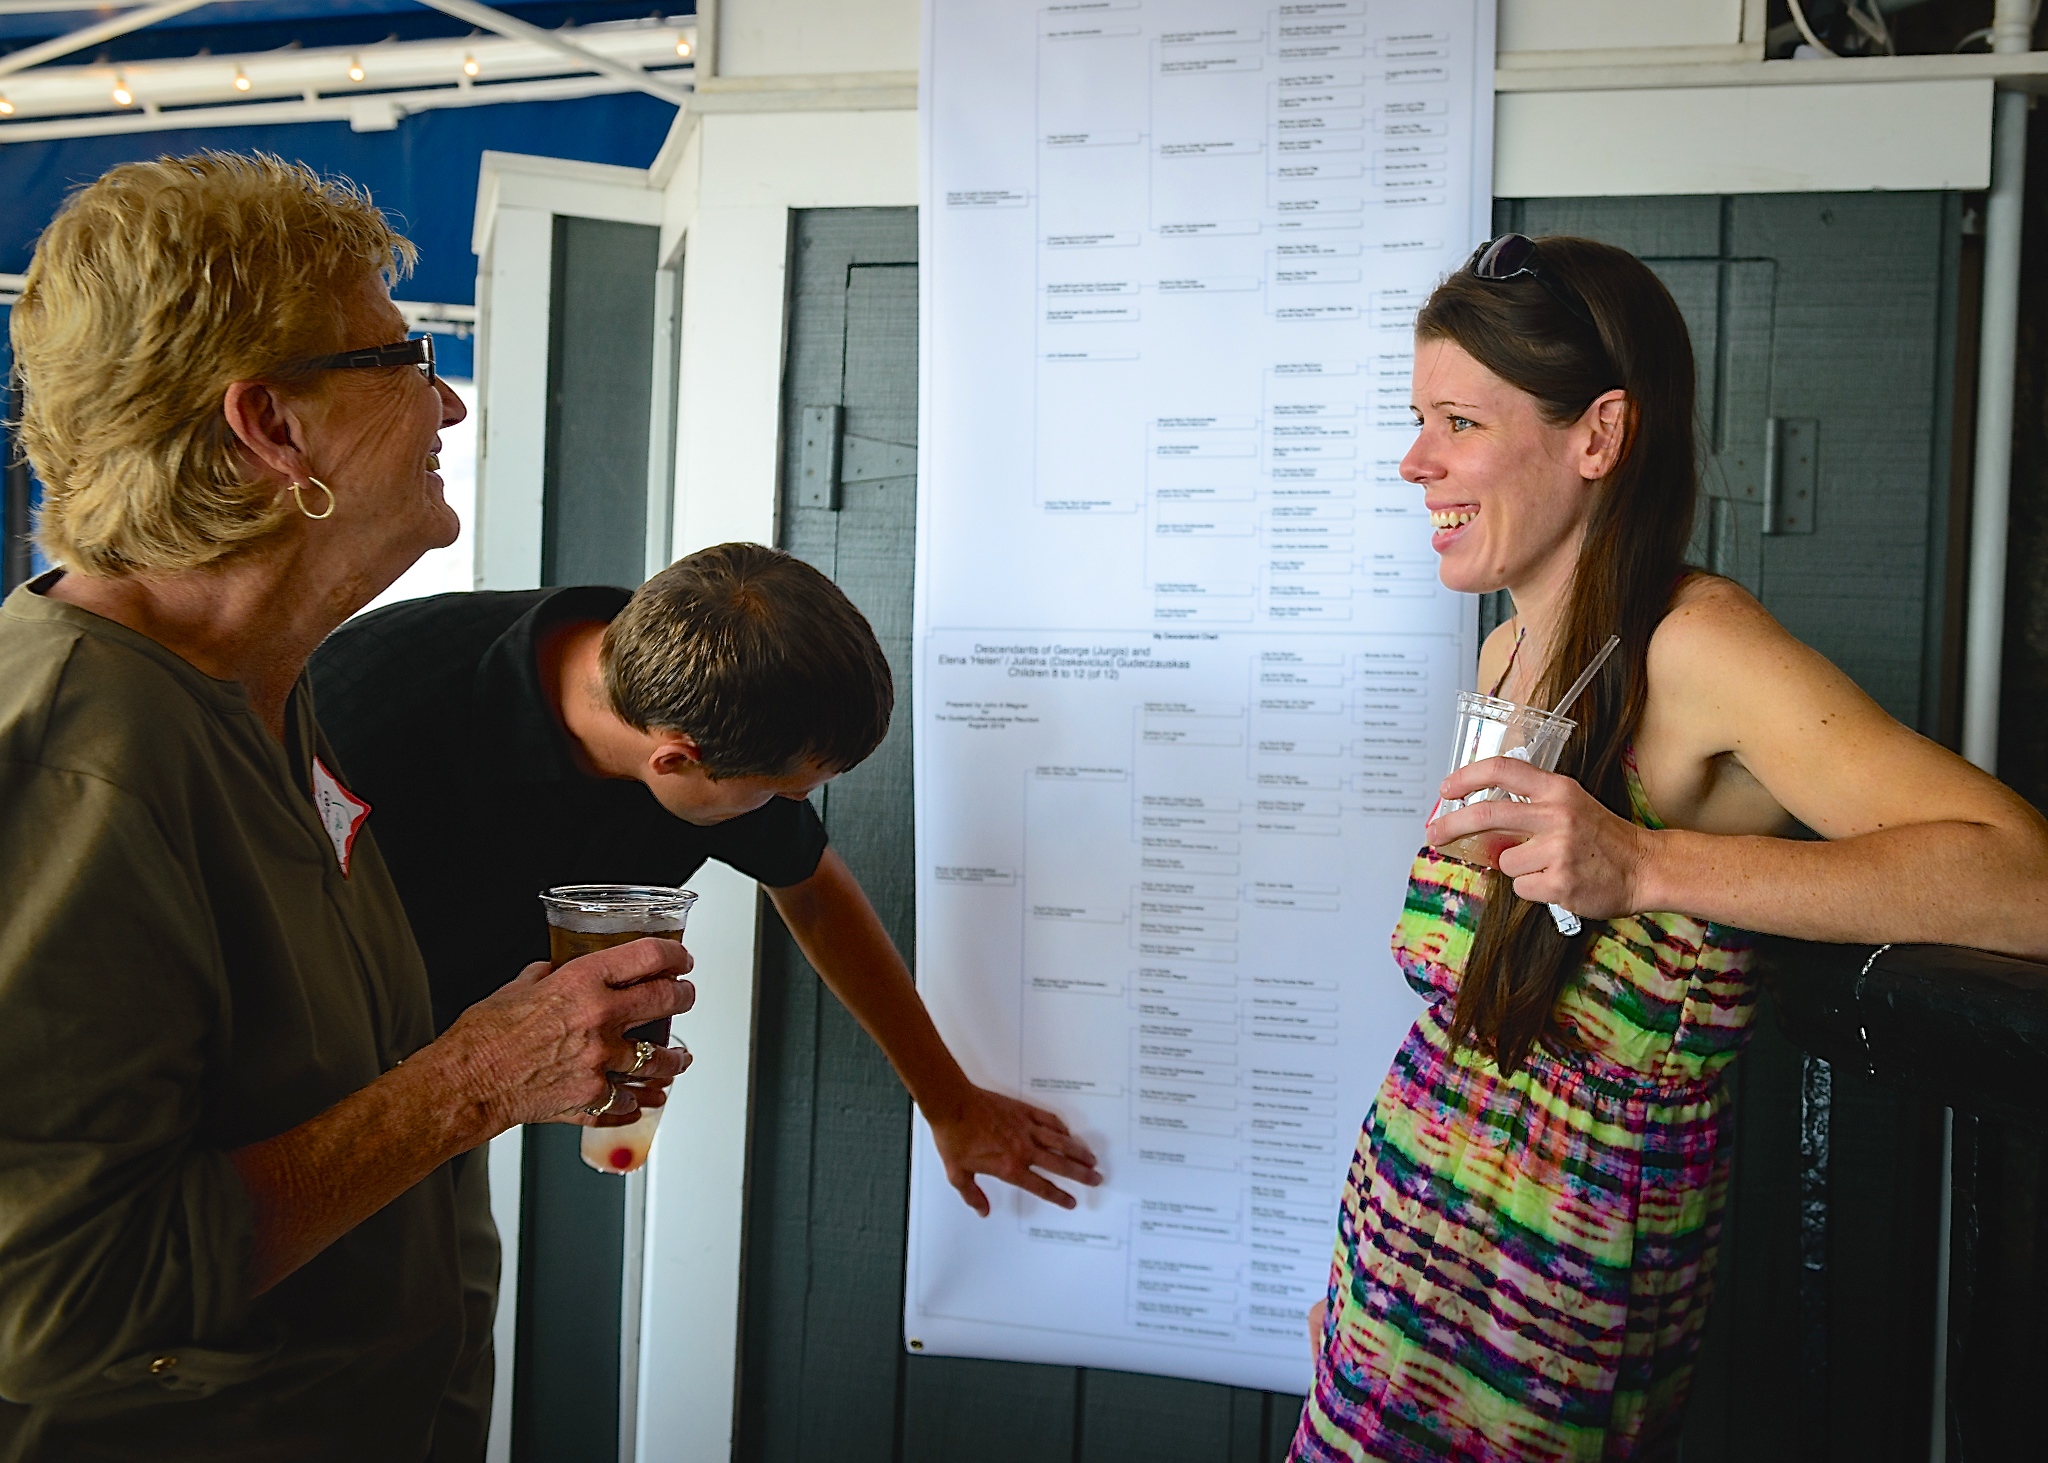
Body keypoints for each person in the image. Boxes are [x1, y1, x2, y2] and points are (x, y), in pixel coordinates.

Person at [1291, 234, 2048, 1462]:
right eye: (1416, 416)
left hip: (1551, 1316)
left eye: (1456, 423)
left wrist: (1644, 868)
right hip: (1396, 1272)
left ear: (1596, 436)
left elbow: (2022, 876)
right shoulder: (1503, 659)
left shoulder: (1696, 646)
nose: (1413, 460)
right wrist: (1358, 1301)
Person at [0, 152, 692, 1460]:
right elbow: (56, 1299)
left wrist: (511, 1044)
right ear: (271, 427)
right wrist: (470, 1081)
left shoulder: (260, 688)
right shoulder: (73, 761)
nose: (446, 400)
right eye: (401, 357)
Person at [305, 543, 1105, 1428]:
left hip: (457, 1119)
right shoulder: (360, 709)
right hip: (303, 1105)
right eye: (777, 794)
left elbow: (816, 891)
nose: (784, 813)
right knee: (324, 1393)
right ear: (675, 763)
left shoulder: (711, 681)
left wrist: (948, 1101)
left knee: (445, 1368)